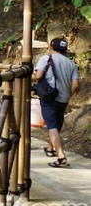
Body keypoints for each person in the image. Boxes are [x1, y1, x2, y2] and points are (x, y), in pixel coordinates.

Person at [33, 37, 80, 168]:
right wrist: (68, 94)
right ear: (65, 50)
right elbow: (76, 85)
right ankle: (50, 148)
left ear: (51, 47)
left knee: (52, 127)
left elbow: (38, 76)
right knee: (56, 125)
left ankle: (61, 157)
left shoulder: (46, 59)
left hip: (49, 98)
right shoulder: (72, 64)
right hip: (64, 99)